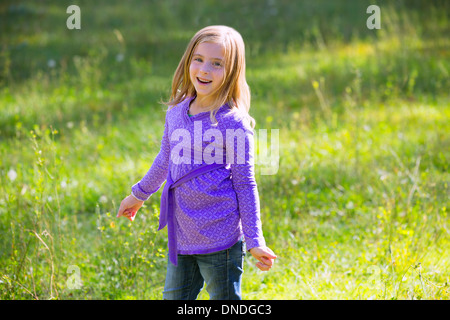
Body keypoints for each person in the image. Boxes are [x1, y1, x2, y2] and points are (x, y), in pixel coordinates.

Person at [117, 25, 276, 300]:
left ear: (232, 71)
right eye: (199, 59)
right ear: (188, 59)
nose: (204, 70)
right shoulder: (177, 113)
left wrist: (255, 241)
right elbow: (164, 159)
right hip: (182, 236)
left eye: (217, 64)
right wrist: (138, 194)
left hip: (221, 239)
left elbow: (245, 183)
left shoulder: (233, 123)